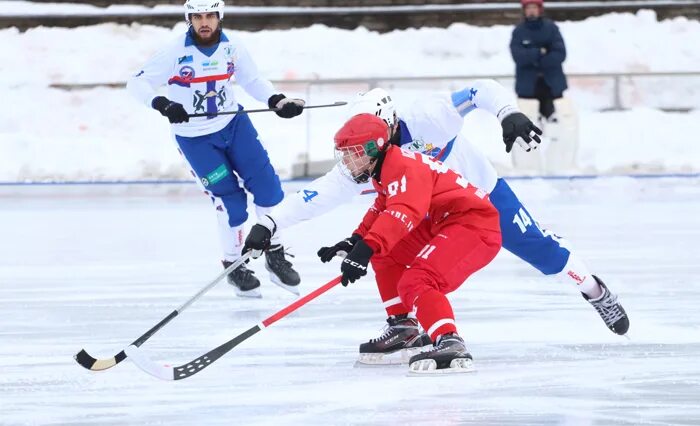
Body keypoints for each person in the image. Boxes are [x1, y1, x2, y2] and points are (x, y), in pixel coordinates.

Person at [243, 82, 629, 366]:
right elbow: (318, 195)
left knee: (543, 252)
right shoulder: (366, 154)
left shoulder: (429, 116)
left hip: (477, 196)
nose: (358, 154)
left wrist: (506, 113)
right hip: (424, 209)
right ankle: (404, 325)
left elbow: (480, 90)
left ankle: (595, 291)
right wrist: (271, 223)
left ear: (390, 123)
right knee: (388, 252)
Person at [127, 0, 304, 298]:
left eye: (210, 15)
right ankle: (234, 264)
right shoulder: (174, 51)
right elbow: (137, 83)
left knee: (269, 190)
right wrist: (163, 104)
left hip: (235, 127)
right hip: (195, 138)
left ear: (219, 16)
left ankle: (275, 251)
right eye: (197, 16)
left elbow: (252, 80)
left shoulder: (232, 45)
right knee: (232, 203)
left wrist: (277, 101)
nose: (204, 22)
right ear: (189, 19)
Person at [510, 0, 578, 173]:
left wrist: (533, 56)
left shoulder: (551, 28)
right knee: (526, 130)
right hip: (528, 89)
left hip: (552, 88)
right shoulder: (519, 32)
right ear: (524, 11)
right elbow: (518, 56)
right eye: (528, 8)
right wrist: (540, 52)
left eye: (534, 8)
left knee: (559, 129)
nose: (531, 11)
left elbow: (560, 54)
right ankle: (529, 168)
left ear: (539, 9)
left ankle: (557, 167)